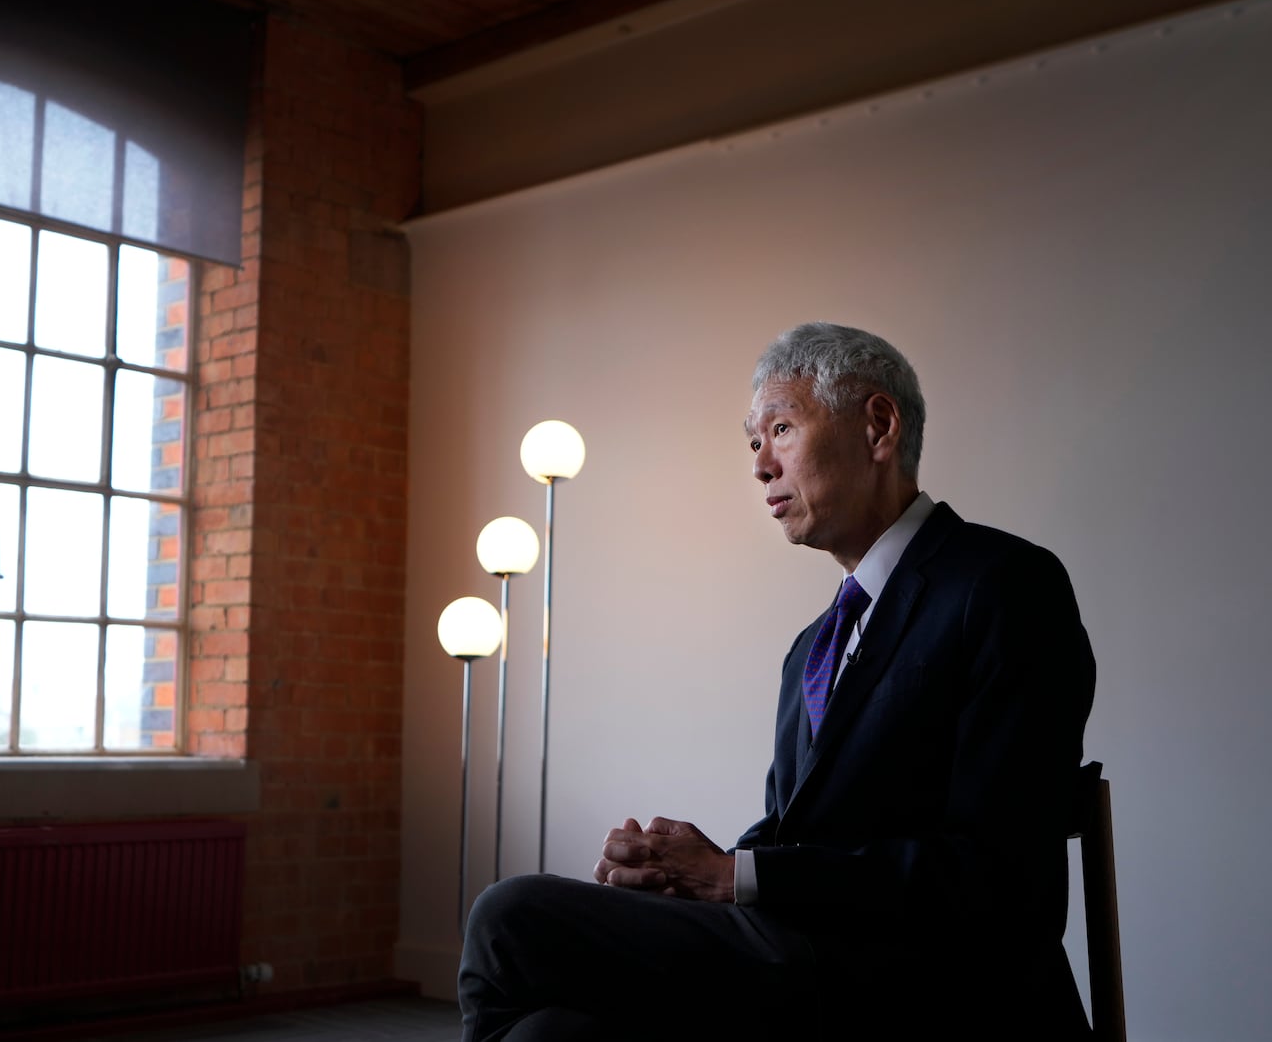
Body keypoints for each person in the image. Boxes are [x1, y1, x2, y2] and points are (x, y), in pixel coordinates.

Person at [458, 322, 1096, 1040]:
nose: (760, 464)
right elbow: (799, 837)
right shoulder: (808, 650)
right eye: (751, 442)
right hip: (806, 970)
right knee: (549, 1033)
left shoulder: (1003, 585)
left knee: (509, 915)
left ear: (878, 426)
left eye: (781, 428)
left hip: (933, 986)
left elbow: (999, 878)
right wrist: (692, 872)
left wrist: (739, 877)